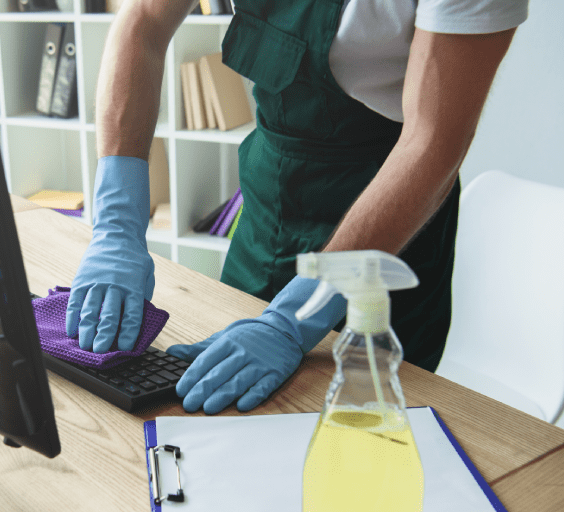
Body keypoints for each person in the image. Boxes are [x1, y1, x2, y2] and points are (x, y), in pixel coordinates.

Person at [65, 0, 528, 414]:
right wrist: (117, 224)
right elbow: (143, 20)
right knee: (215, 419)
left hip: (384, 229)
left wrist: (297, 317)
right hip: (268, 204)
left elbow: (432, 144)